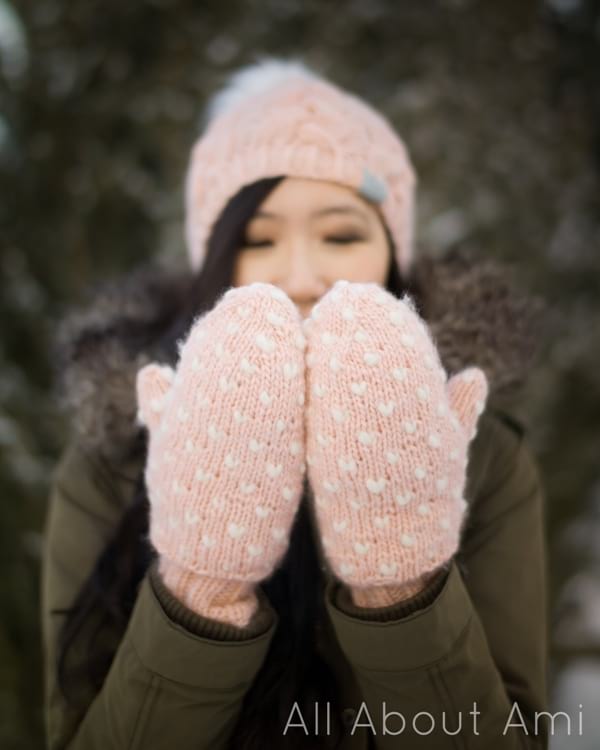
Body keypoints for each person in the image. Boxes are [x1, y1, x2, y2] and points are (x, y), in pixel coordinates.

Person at [41, 59, 549, 749]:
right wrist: (199, 588)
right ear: (215, 259)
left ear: (392, 256)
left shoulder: (486, 458)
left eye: (342, 234)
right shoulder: (115, 456)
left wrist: (401, 587)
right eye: (259, 239)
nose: (303, 274)